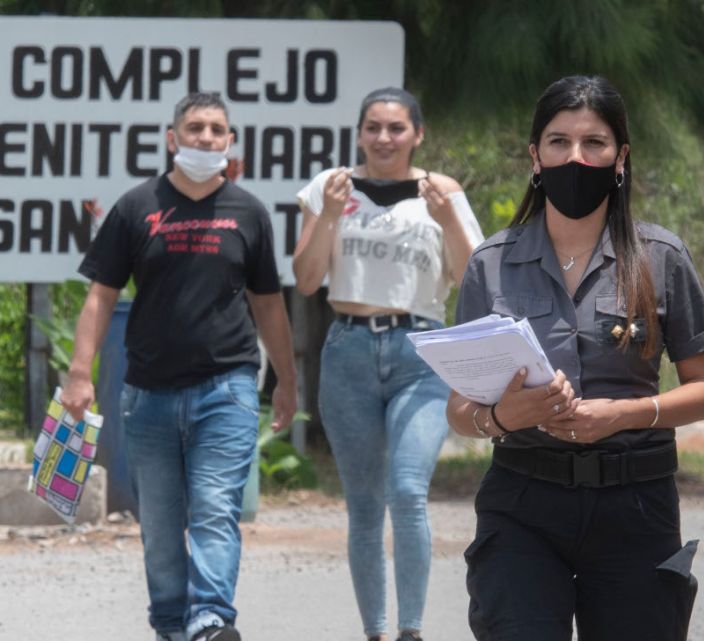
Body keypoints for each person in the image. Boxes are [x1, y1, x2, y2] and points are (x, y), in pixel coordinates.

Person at [444, 75, 704, 641]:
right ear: (535, 156)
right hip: (522, 499)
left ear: (620, 158)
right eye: (558, 142)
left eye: (594, 143)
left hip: (635, 504)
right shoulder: (490, 264)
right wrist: (502, 417)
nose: (576, 156)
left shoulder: (660, 257)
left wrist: (622, 414)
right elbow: (459, 409)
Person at [60, 92, 297, 641]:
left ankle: (212, 618)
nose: (206, 138)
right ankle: (172, 625)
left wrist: (286, 378)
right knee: (162, 528)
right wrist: (79, 371)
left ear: (230, 142)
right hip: (149, 394)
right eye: (195, 128)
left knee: (215, 508)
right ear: (173, 138)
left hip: (229, 387)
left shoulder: (249, 212)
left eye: (217, 129)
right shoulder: (135, 206)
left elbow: (268, 303)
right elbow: (100, 296)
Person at [292, 87, 484, 641]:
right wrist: (328, 214)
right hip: (348, 348)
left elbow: (475, 278)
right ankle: (375, 631)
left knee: (406, 488)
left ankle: (411, 631)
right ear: (359, 133)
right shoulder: (330, 187)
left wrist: (447, 218)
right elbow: (306, 278)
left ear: (417, 134)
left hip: (420, 349)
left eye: (396, 128)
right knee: (364, 504)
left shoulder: (441, 191)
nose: (383, 138)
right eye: (373, 127)